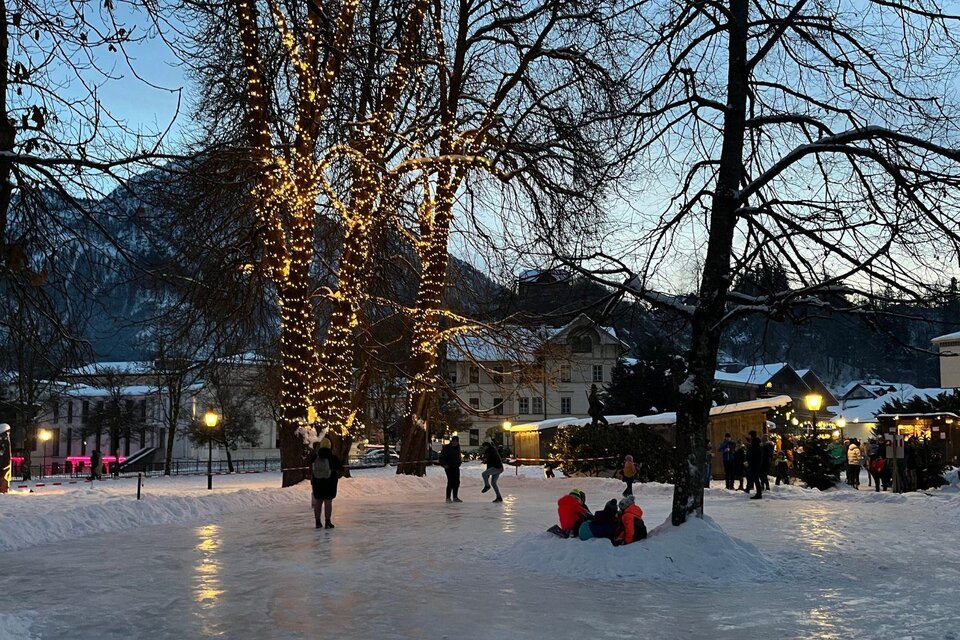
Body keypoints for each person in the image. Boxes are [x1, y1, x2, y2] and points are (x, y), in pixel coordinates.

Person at [309, 437, 342, 529]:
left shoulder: (315, 457)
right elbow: (339, 467)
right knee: (328, 502)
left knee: (318, 502)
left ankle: (318, 522)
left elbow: (310, 466)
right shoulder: (333, 458)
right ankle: (328, 522)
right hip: (329, 482)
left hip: (317, 483)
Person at [438, 435, 462, 503]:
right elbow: (441, 458)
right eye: (453, 441)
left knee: (457, 482)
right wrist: (444, 465)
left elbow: (458, 456)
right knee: (450, 481)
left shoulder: (458, 447)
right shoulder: (447, 448)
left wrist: (459, 462)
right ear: (451, 441)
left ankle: (455, 497)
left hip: (456, 466)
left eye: (456, 442)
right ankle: (448, 497)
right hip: (448, 467)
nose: (455, 443)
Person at [745, 431, 763, 499]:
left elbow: (753, 454)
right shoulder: (756, 442)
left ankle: (759, 493)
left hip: (754, 463)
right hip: (755, 463)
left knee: (755, 478)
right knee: (753, 477)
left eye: (749, 435)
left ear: (751, 436)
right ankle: (751, 489)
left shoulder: (755, 443)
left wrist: (749, 461)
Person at [0, 423, 11, 495]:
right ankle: (3, 489)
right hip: (4, 462)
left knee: (4, 475)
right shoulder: (4, 441)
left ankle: (3, 489)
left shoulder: (5, 440)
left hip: (5, 462)